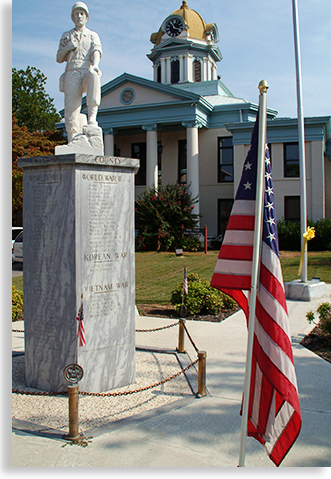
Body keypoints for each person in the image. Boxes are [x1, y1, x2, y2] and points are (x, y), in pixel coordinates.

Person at [57, 2, 102, 142]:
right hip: (72, 70)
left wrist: (95, 65)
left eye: (82, 13)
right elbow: (59, 57)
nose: (79, 16)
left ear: (86, 17)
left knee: (94, 77)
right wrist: (68, 47)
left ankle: (92, 119)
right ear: (72, 17)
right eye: (76, 13)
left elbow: (97, 50)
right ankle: (72, 137)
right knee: (71, 105)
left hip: (87, 69)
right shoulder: (67, 35)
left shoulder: (92, 35)